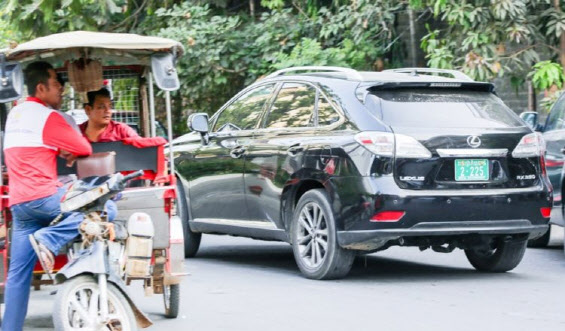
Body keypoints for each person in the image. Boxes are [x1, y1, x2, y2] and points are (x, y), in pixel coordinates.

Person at [1, 61, 93, 331]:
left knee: (18, 276)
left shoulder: (15, 115)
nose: (61, 88)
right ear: (41, 88)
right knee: (105, 208)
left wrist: (56, 149)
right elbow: (83, 147)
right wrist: (67, 149)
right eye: (56, 83)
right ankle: (48, 238)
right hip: (45, 199)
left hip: (20, 206)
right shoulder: (46, 116)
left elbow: (32, 149)